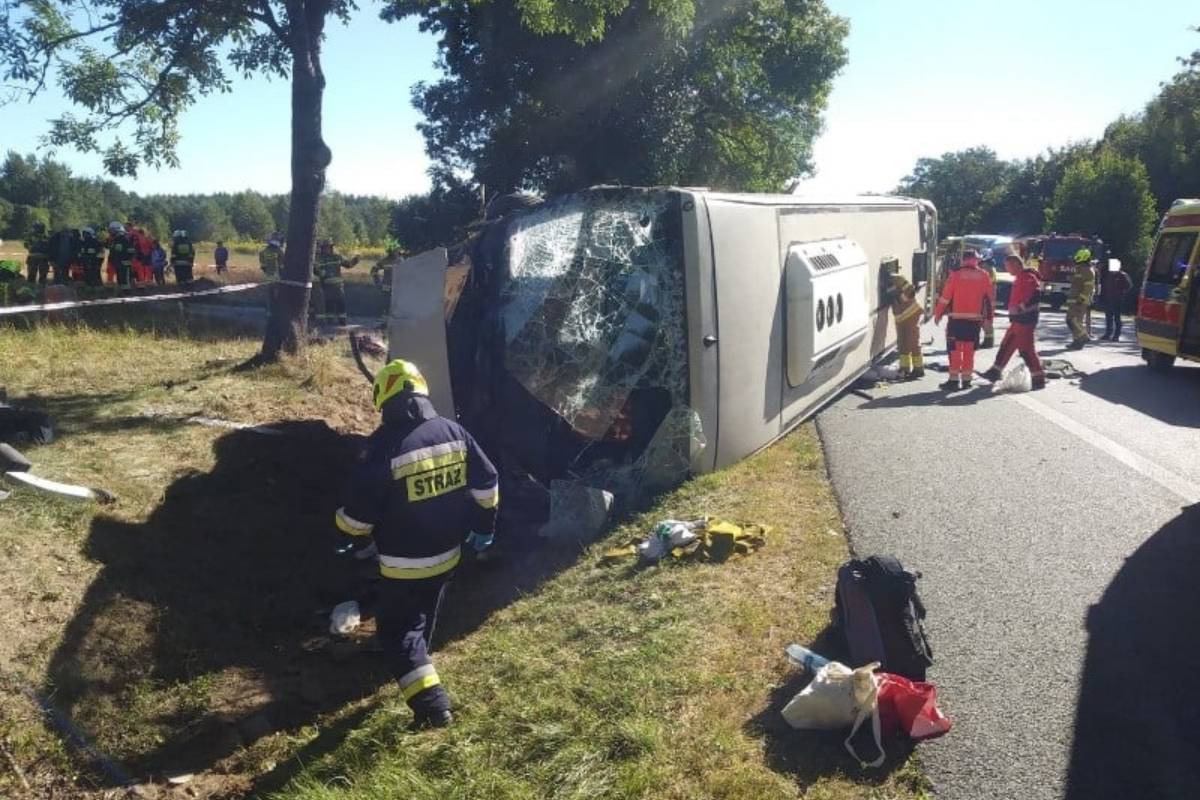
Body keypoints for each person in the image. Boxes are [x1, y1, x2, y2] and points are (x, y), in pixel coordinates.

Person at [334, 359, 500, 730]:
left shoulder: (382, 447)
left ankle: (432, 707)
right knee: (421, 617)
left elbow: (358, 517)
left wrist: (343, 537)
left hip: (403, 564)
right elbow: (488, 484)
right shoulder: (455, 432)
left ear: (386, 400)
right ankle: (418, 662)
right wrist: (484, 526)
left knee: (396, 632)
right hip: (449, 555)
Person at [982, 255, 1046, 390]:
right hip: (1019, 318)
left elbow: (1035, 295)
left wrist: (1021, 308)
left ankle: (1038, 378)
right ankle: (995, 371)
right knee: (1008, 342)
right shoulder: (1022, 277)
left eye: (1008, 266)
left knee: (1026, 349)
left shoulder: (1027, 277)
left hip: (1025, 319)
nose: (1007, 269)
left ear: (1017, 264)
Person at [933, 249, 994, 391]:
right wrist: (989, 319)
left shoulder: (955, 275)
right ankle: (967, 380)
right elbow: (989, 300)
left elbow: (945, 298)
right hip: (974, 322)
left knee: (954, 351)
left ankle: (953, 380)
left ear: (963, 260)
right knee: (969, 351)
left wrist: (938, 314)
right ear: (977, 260)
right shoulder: (984, 276)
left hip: (956, 321)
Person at [884, 261, 925, 380]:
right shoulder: (885, 284)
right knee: (902, 343)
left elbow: (910, 292)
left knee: (913, 342)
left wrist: (899, 297)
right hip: (901, 318)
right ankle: (905, 368)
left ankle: (918, 369)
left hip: (911, 313)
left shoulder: (898, 279)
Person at [315, 239, 360, 325]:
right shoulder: (319, 259)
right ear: (322, 248)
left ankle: (342, 322)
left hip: (338, 287)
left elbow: (348, 264)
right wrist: (322, 274)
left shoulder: (337, 257)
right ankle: (330, 324)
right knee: (329, 306)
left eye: (328, 247)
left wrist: (356, 260)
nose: (327, 249)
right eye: (325, 248)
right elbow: (317, 270)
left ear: (331, 248)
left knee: (341, 305)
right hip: (327, 288)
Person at [1065, 248, 1096, 350]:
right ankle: (1077, 342)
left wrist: (1081, 299)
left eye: (1077, 258)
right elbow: (1078, 282)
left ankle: (1083, 337)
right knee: (1074, 321)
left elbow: (1088, 287)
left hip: (1080, 301)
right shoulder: (1081, 269)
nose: (1075, 259)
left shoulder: (1088, 270)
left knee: (1072, 320)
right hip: (1074, 300)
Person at [1101, 262, 1133, 342]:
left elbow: (1129, 286)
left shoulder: (1123, 275)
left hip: (1118, 300)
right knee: (1108, 317)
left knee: (1117, 318)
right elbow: (1106, 286)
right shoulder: (1109, 275)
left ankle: (1116, 336)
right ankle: (1108, 334)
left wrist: (1122, 293)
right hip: (1108, 299)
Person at [106, 222, 135, 290]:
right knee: (120, 279)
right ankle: (123, 292)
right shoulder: (115, 241)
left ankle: (127, 293)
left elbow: (131, 251)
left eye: (112, 231)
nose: (110, 233)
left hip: (124, 264)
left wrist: (126, 260)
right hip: (118, 264)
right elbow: (114, 252)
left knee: (125, 280)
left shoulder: (124, 240)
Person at [258, 235, 284, 311]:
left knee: (270, 293)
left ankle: (269, 310)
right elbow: (282, 264)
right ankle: (276, 309)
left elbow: (263, 266)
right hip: (277, 275)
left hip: (268, 275)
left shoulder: (263, 252)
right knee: (277, 293)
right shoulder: (279, 251)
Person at [979, 249, 997, 349]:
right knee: (985, 320)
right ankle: (988, 340)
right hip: (988, 297)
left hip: (987, 298)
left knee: (987, 320)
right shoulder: (989, 267)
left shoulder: (988, 268)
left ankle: (988, 341)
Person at [23, 221, 50, 286]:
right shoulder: (46, 236)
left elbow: (25, 245)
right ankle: (41, 292)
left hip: (33, 257)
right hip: (43, 258)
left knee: (31, 278)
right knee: (42, 278)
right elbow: (50, 247)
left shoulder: (30, 236)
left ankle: (32, 292)